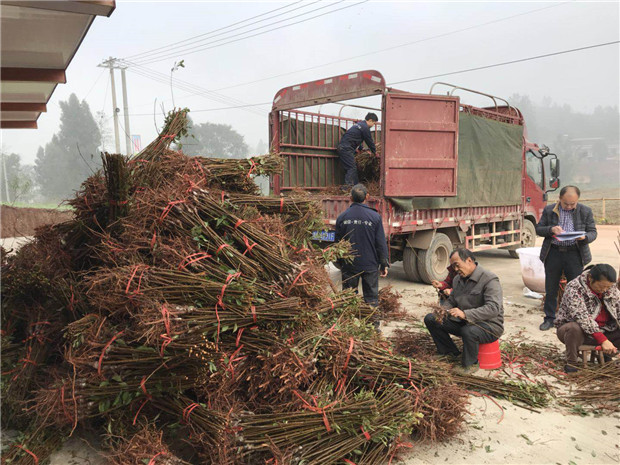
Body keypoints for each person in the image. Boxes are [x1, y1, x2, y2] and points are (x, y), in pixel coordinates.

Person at [424, 249, 504, 374]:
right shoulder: (457, 280)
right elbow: (452, 300)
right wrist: (442, 310)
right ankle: (449, 352)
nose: (455, 269)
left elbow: (493, 308)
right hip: (465, 322)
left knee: (469, 330)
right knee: (431, 318)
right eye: (453, 266)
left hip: (489, 326)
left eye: (457, 265)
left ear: (469, 261)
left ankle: (470, 364)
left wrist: (465, 314)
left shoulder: (489, 279)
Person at [536, 185, 597, 331]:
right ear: (560, 199)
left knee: (575, 288)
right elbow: (539, 229)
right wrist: (551, 230)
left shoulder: (585, 211)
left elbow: (593, 232)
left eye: (572, 204)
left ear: (577, 201)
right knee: (550, 287)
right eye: (566, 204)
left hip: (574, 253)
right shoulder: (550, 210)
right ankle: (549, 318)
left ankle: (572, 319)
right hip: (554, 252)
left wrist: (585, 237)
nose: (569, 207)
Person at [556, 264, 619, 373]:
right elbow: (582, 317)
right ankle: (572, 363)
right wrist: (603, 340)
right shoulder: (574, 288)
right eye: (601, 286)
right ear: (590, 278)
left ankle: (608, 354)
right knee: (573, 328)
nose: (604, 290)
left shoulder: (611, 287)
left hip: (605, 330)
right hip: (576, 333)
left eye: (607, 287)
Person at [335, 184, 389, 308]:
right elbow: (380, 242)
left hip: (350, 264)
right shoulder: (375, 217)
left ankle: (349, 322)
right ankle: (374, 325)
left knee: (349, 297)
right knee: (371, 298)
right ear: (367, 197)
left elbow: (337, 243)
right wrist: (383, 263)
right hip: (370, 264)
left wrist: (340, 261)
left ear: (350, 198)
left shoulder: (342, 217)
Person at [337, 113, 378, 189]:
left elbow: (355, 138)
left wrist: (360, 149)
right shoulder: (365, 127)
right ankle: (347, 187)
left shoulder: (359, 125)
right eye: (374, 123)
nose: (373, 125)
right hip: (346, 148)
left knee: (352, 167)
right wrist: (375, 152)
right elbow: (369, 141)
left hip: (344, 147)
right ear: (370, 120)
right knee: (351, 167)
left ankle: (355, 187)